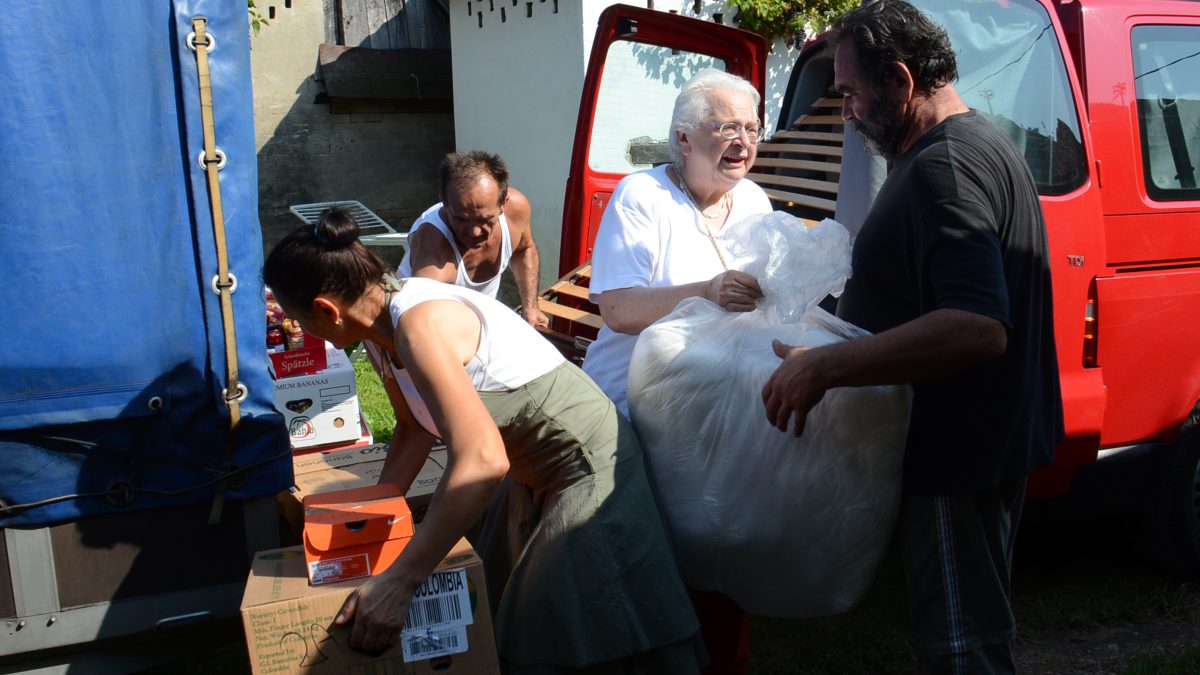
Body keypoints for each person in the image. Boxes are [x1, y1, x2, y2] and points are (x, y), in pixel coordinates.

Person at [263, 207, 703, 674]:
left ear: (327, 311)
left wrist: (401, 582)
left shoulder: (419, 325)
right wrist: (371, 521)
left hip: (587, 469)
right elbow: (413, 427)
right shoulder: (376, 329)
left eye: (297, 318)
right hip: (527, 472)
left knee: (560, 624)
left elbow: (481, 461)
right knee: (490, 607)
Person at [760, 2, 1063, 673]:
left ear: (899, 79)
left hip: (954, 456)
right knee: (980, 630)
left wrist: (828, 365)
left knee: (962, 650)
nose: (845, 111)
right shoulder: (973, 143)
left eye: (850, 94)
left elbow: (978, 326)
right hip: (980, 445)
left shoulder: (943, 170)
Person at [583, 68, 774, 675]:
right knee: (657, 553)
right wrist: (707, 292)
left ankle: (719, 652)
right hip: (637, 407)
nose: (742, 141)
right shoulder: (643, 196)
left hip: (722, 404)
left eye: (751, 127)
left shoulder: (755, 202)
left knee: (726, 539)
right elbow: (616, 308)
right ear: (685, 140)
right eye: (726, 128)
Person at [399, 150, 550, 329]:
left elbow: (524, 250)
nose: (474, 232)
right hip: (434, 325)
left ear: (503, 204)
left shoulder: (516, 211)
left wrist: (530, 306)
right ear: (445, 204)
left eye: (485, 219)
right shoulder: (435, 248)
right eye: (461, 219)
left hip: (480, 317)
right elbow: (425, 326)